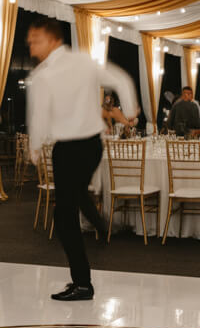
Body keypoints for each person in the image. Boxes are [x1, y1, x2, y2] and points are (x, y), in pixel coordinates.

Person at [27, 17, 138, 301]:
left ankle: (83, 283)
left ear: (53, 40)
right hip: (93, 147)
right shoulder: (84, 62)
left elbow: (38, 116)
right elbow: (121, 79)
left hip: (69, 149)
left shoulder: (42, 75)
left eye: (35, 40)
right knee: (76, 196)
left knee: (63, 216)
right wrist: (131, 109)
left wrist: (34, 149)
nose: (31, 46)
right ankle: (101, 225)